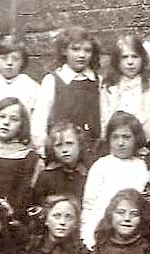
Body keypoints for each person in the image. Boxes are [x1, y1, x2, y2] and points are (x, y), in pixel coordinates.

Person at [81, 111, 150, 250]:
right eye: (115, 137)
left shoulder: (143, 167)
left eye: (126, 137)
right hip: (101, 226)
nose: (120, 143)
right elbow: (89, 204)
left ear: (136, 139)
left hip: (131, 228)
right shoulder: (101, 165)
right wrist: (86, 234)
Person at [32, 25, 102, 157]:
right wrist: (42, 151)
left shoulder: (98, 81)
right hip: (61, 152)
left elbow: (104, 118)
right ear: (64, 50)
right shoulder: (52, 80)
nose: (82, 55)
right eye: (75, 49)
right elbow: (40, 119)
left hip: (91, 153)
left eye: (87, 50)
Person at [0, 97, 39, 226]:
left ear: (22, 125)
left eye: (14, 119)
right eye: (2, 116)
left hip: (13, 222)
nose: (6, 122)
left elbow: (26, 197)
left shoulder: (29, 158)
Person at [101, 34, 150, 140]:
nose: (130, 62)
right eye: (124, 57)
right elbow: (104, 119)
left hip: (146, 143)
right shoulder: (109, 88)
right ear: (117, 60)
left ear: (143, 59)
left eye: (135, 57)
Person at [0, 33, 40, 119]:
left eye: (15, 59)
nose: (9, 63)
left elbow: (37, 116)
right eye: (4, 58)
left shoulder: (32, 86)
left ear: (22, 62)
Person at [32, 122, 88, 205]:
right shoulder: (46, 176)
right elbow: (37, 203)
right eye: (58, 145)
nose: (64, 149)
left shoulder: (87, 174)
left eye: (69, 143)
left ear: (80, 145)